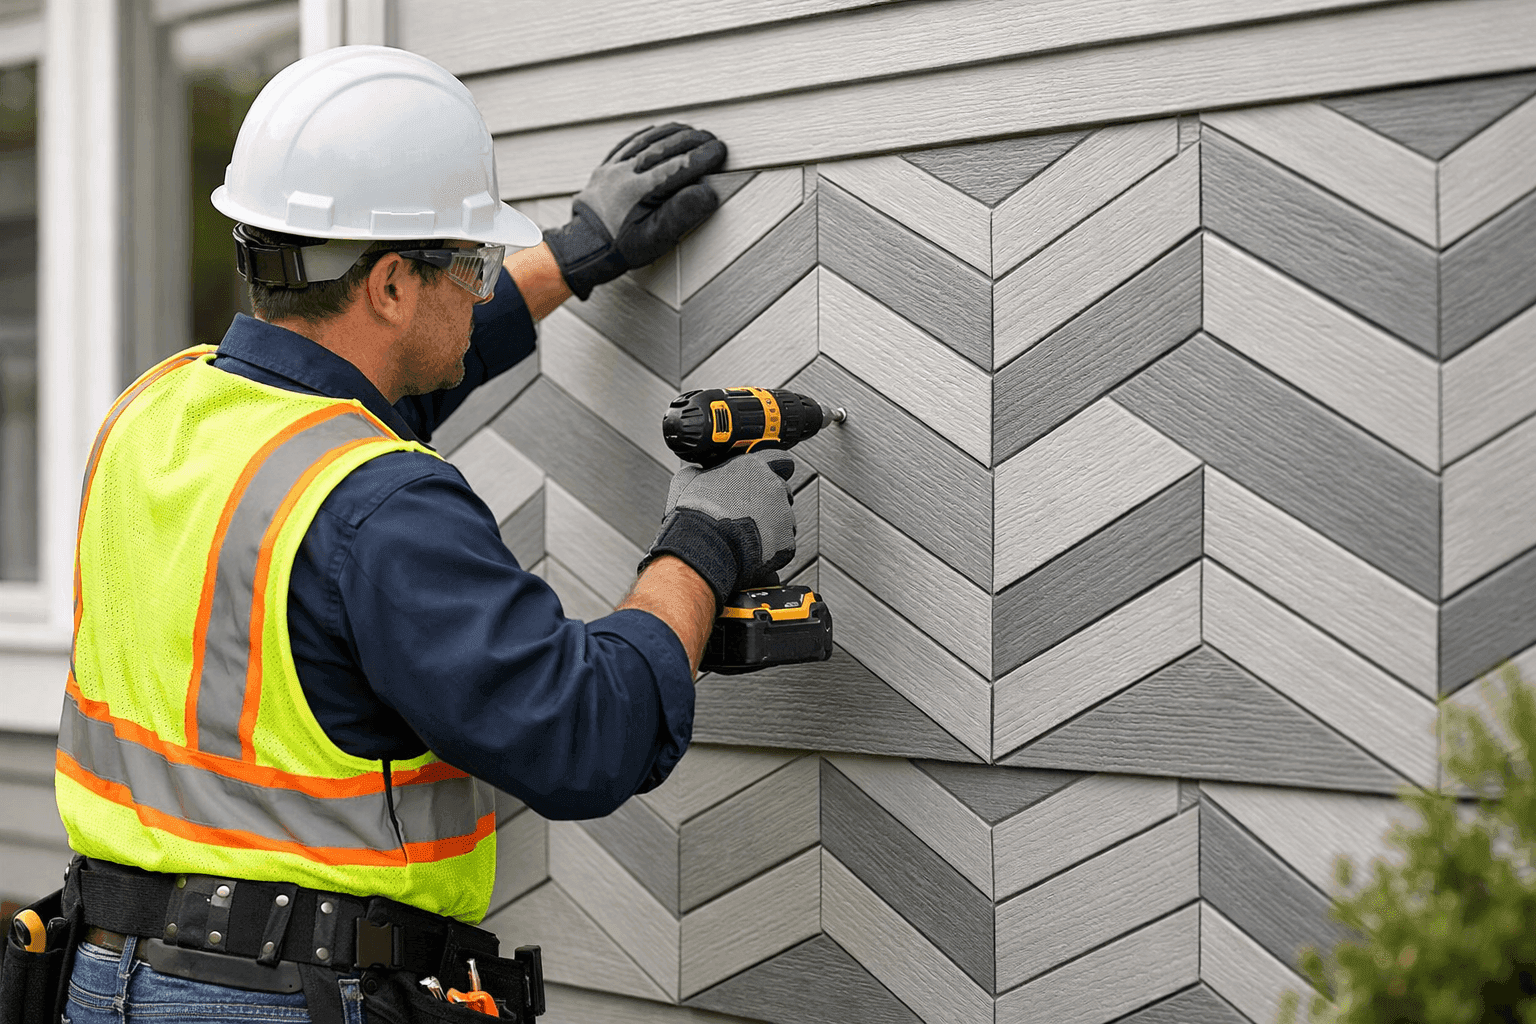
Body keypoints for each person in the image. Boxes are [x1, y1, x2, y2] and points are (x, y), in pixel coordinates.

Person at [50, 45, 797, 1024]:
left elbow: (349, 395)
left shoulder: (154, 411)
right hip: (283, 997)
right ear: (393, 285)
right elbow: (583, 731)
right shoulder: (383, 506)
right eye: (471, 262)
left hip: (107, 976)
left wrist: (570, 256)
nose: (486, 286)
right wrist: (704, 542)